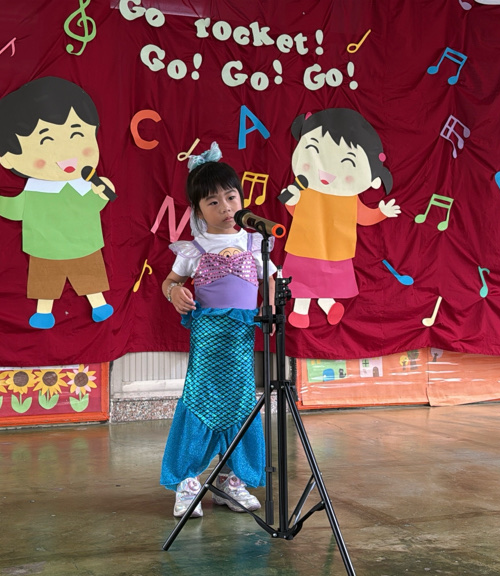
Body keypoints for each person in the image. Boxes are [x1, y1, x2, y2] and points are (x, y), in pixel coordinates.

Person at [159, 142, 276, 518]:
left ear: (241, 198)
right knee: (201, 402)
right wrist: (175, 292)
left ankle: (230, 480)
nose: (225, 207)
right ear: (198, 211)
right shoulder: (193, 249)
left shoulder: (255, 242)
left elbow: (270, 281)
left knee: (241, 404)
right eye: (213, 202)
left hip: (241, 342)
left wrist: (271, 307)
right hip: (208, 342)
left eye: (230, 197)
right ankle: (187, 480)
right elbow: (169, 282)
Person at [0, 76, 116, 329]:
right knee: (45, 280)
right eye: (46, 141)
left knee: (90, 274)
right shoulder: (35, 190)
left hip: (85, 243)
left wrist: (102, 192)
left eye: (77, 134)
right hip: (45, 248)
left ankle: (98, 303)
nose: (65, 153)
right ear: (9, 159)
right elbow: (17, 209)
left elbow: (97, 204)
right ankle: (44, 311)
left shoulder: (85, 184)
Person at [278, 108, 400, 328]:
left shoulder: (349, 197)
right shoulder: (305, 189)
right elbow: (296, 211)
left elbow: (363, 216)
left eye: (348, 162)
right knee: (303, 278)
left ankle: (325, 303)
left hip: (333, 247)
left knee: (324, 280)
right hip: (304, 244)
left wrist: (382, 212)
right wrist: (291, 197)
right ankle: (309, 309)